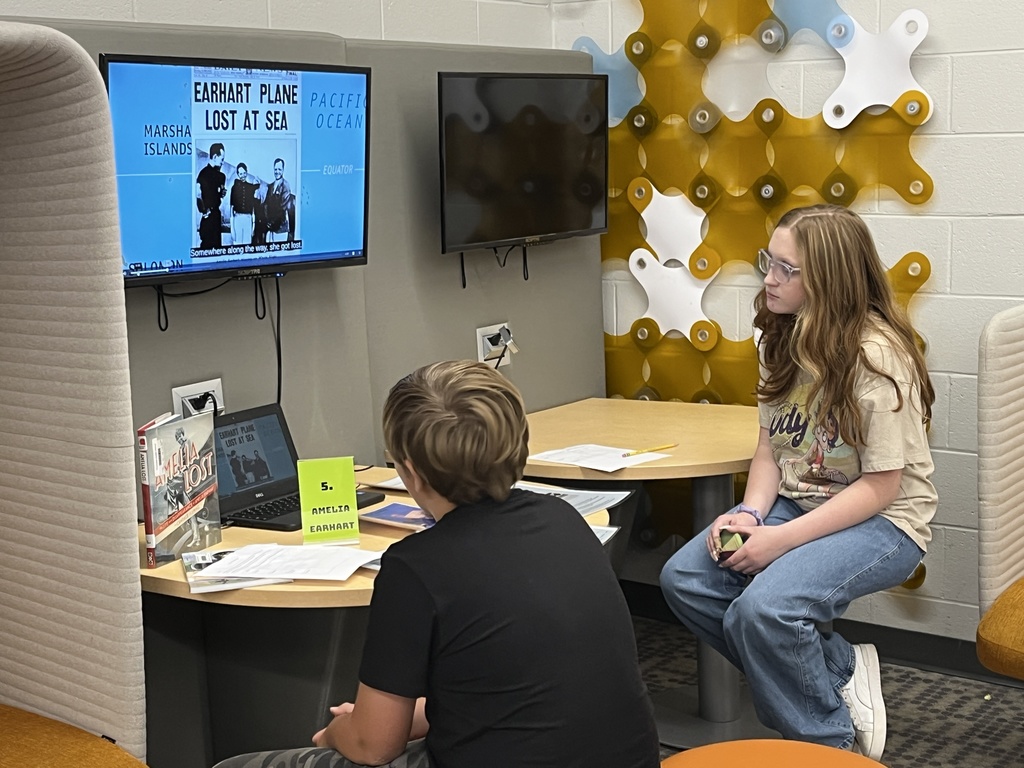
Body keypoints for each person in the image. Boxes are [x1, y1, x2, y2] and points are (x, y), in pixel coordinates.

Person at [213, 360, 660, 768]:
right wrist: (385, 719)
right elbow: (509, 687)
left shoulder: (414, 567)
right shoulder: (564, 519)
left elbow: (374, 747)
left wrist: (338, 732)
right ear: (519, 441)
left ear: (410, 473)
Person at [659, 204, 936, 761]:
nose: (769, 279)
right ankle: (838, 667)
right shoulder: (778, 337)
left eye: (787, 269)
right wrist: (750, 515)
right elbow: (769, 448)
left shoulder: (878, 359)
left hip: (884, 522)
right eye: (769, 261)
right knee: (686, 578)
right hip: (794, 502)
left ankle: (829, 746)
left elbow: (881, 488)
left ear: (828, 281)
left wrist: (778, 542)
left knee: (764, 611)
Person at [196, 142, 227, 248]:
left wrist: (221, 194)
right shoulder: (203, 175)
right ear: (214, 156)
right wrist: (204, 211)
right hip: (208, 219)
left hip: (216, 217)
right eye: (222, 159)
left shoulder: (221, 176)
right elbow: (198, 194)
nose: (223, 162)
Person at [264, 157, 295, 243]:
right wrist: (268, 222)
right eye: (275, 169)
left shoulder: (286, 185)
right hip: (270, 228)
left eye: (279, 169)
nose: (277, 172)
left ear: (283, 170)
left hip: (281, 229)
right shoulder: (270, 186)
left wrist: (272, 223)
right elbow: (266, 205)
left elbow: (282, 207)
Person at [229, 162, 261, 246]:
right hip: (237, 219)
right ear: (237, 174)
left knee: (247, 245)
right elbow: (231, 208)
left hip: (248, 219)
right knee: (237, 245)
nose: (242, 175)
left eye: (244, 173)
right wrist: (232, 228)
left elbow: (253, 208)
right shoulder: (234, 187)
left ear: (247, 172)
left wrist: (253, 226)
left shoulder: (251, 187)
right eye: (240, 174)